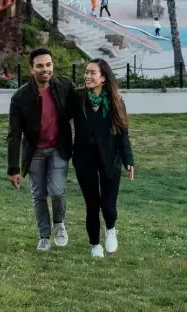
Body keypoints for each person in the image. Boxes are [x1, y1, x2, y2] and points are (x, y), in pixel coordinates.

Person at [7, 48, 76, 252]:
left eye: (48, 65)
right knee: (39, 195)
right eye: (40, 66)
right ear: (31, 69)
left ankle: (59, 224)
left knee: (56, 191)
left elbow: (82, 103)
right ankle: (44, 236)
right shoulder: (20, 97)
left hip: (58, 148)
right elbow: (14, 135)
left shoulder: (64, 86)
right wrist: (13, 168)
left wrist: (108, 94)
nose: (45, 69)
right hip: (35, 151)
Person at [71, 59, 134, 258]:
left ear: (103, 78)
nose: (87, 76)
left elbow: (123, 132)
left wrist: (128, 159)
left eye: (92, 73)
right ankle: (94, 244)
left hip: (110, 158)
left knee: (108, 205)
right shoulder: (78, 97)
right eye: (86, 72)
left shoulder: (115, 101)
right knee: (92, 204)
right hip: (84, 159)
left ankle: (110, 229)